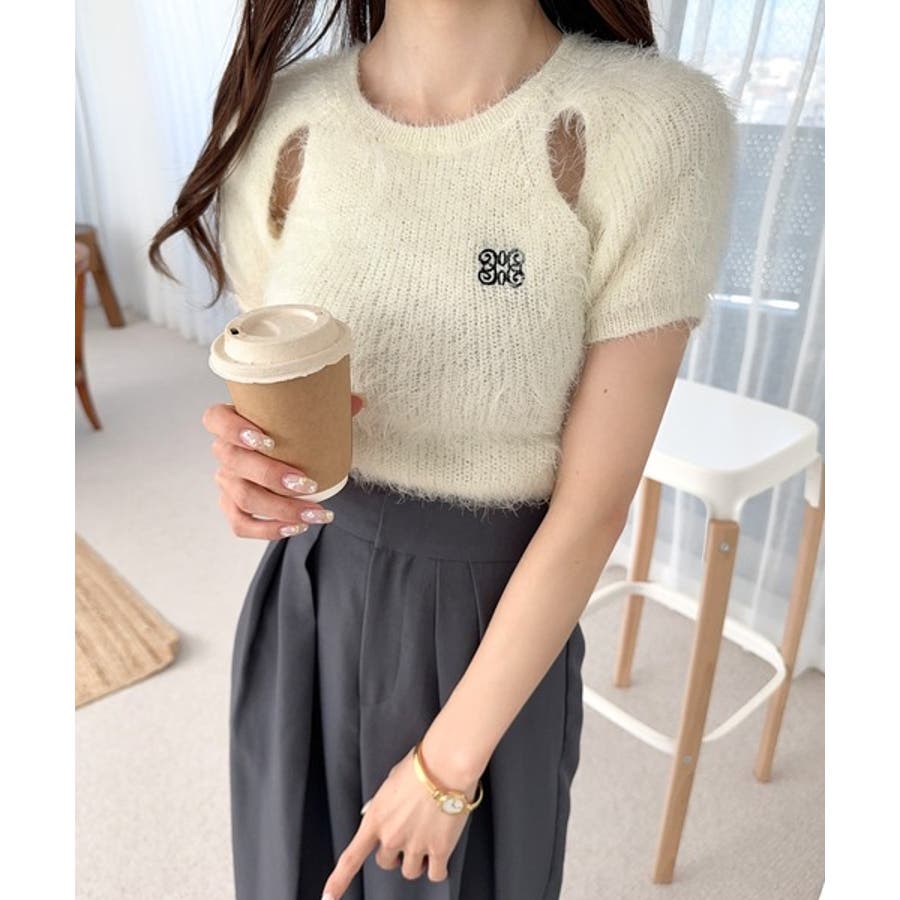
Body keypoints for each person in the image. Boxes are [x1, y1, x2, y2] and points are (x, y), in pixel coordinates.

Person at [148, 1, 738, 897]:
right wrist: (252, 471)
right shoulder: (279, 119)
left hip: (495, 614)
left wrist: (446, 768)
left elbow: (595, 505)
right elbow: (278, 372)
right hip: (309, 594)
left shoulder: (653, 124)